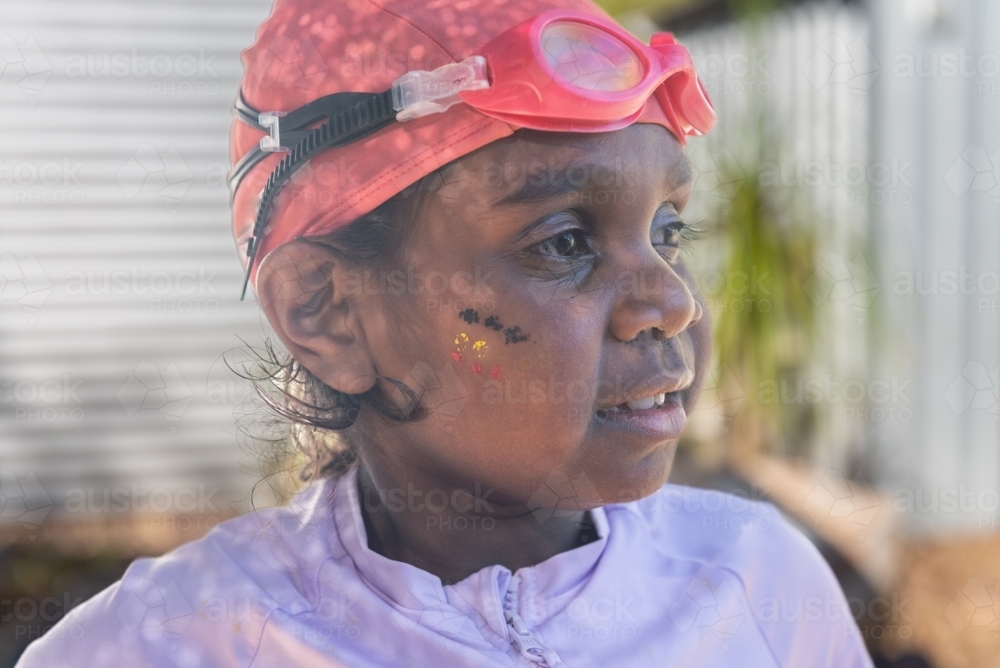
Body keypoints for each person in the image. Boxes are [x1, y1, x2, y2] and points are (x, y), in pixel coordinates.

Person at [17, 0, 875, 665]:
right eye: (565, 241)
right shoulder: (171, 643)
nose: (672, 301)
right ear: (330, 313)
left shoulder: (758, 583)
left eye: (668, 231)